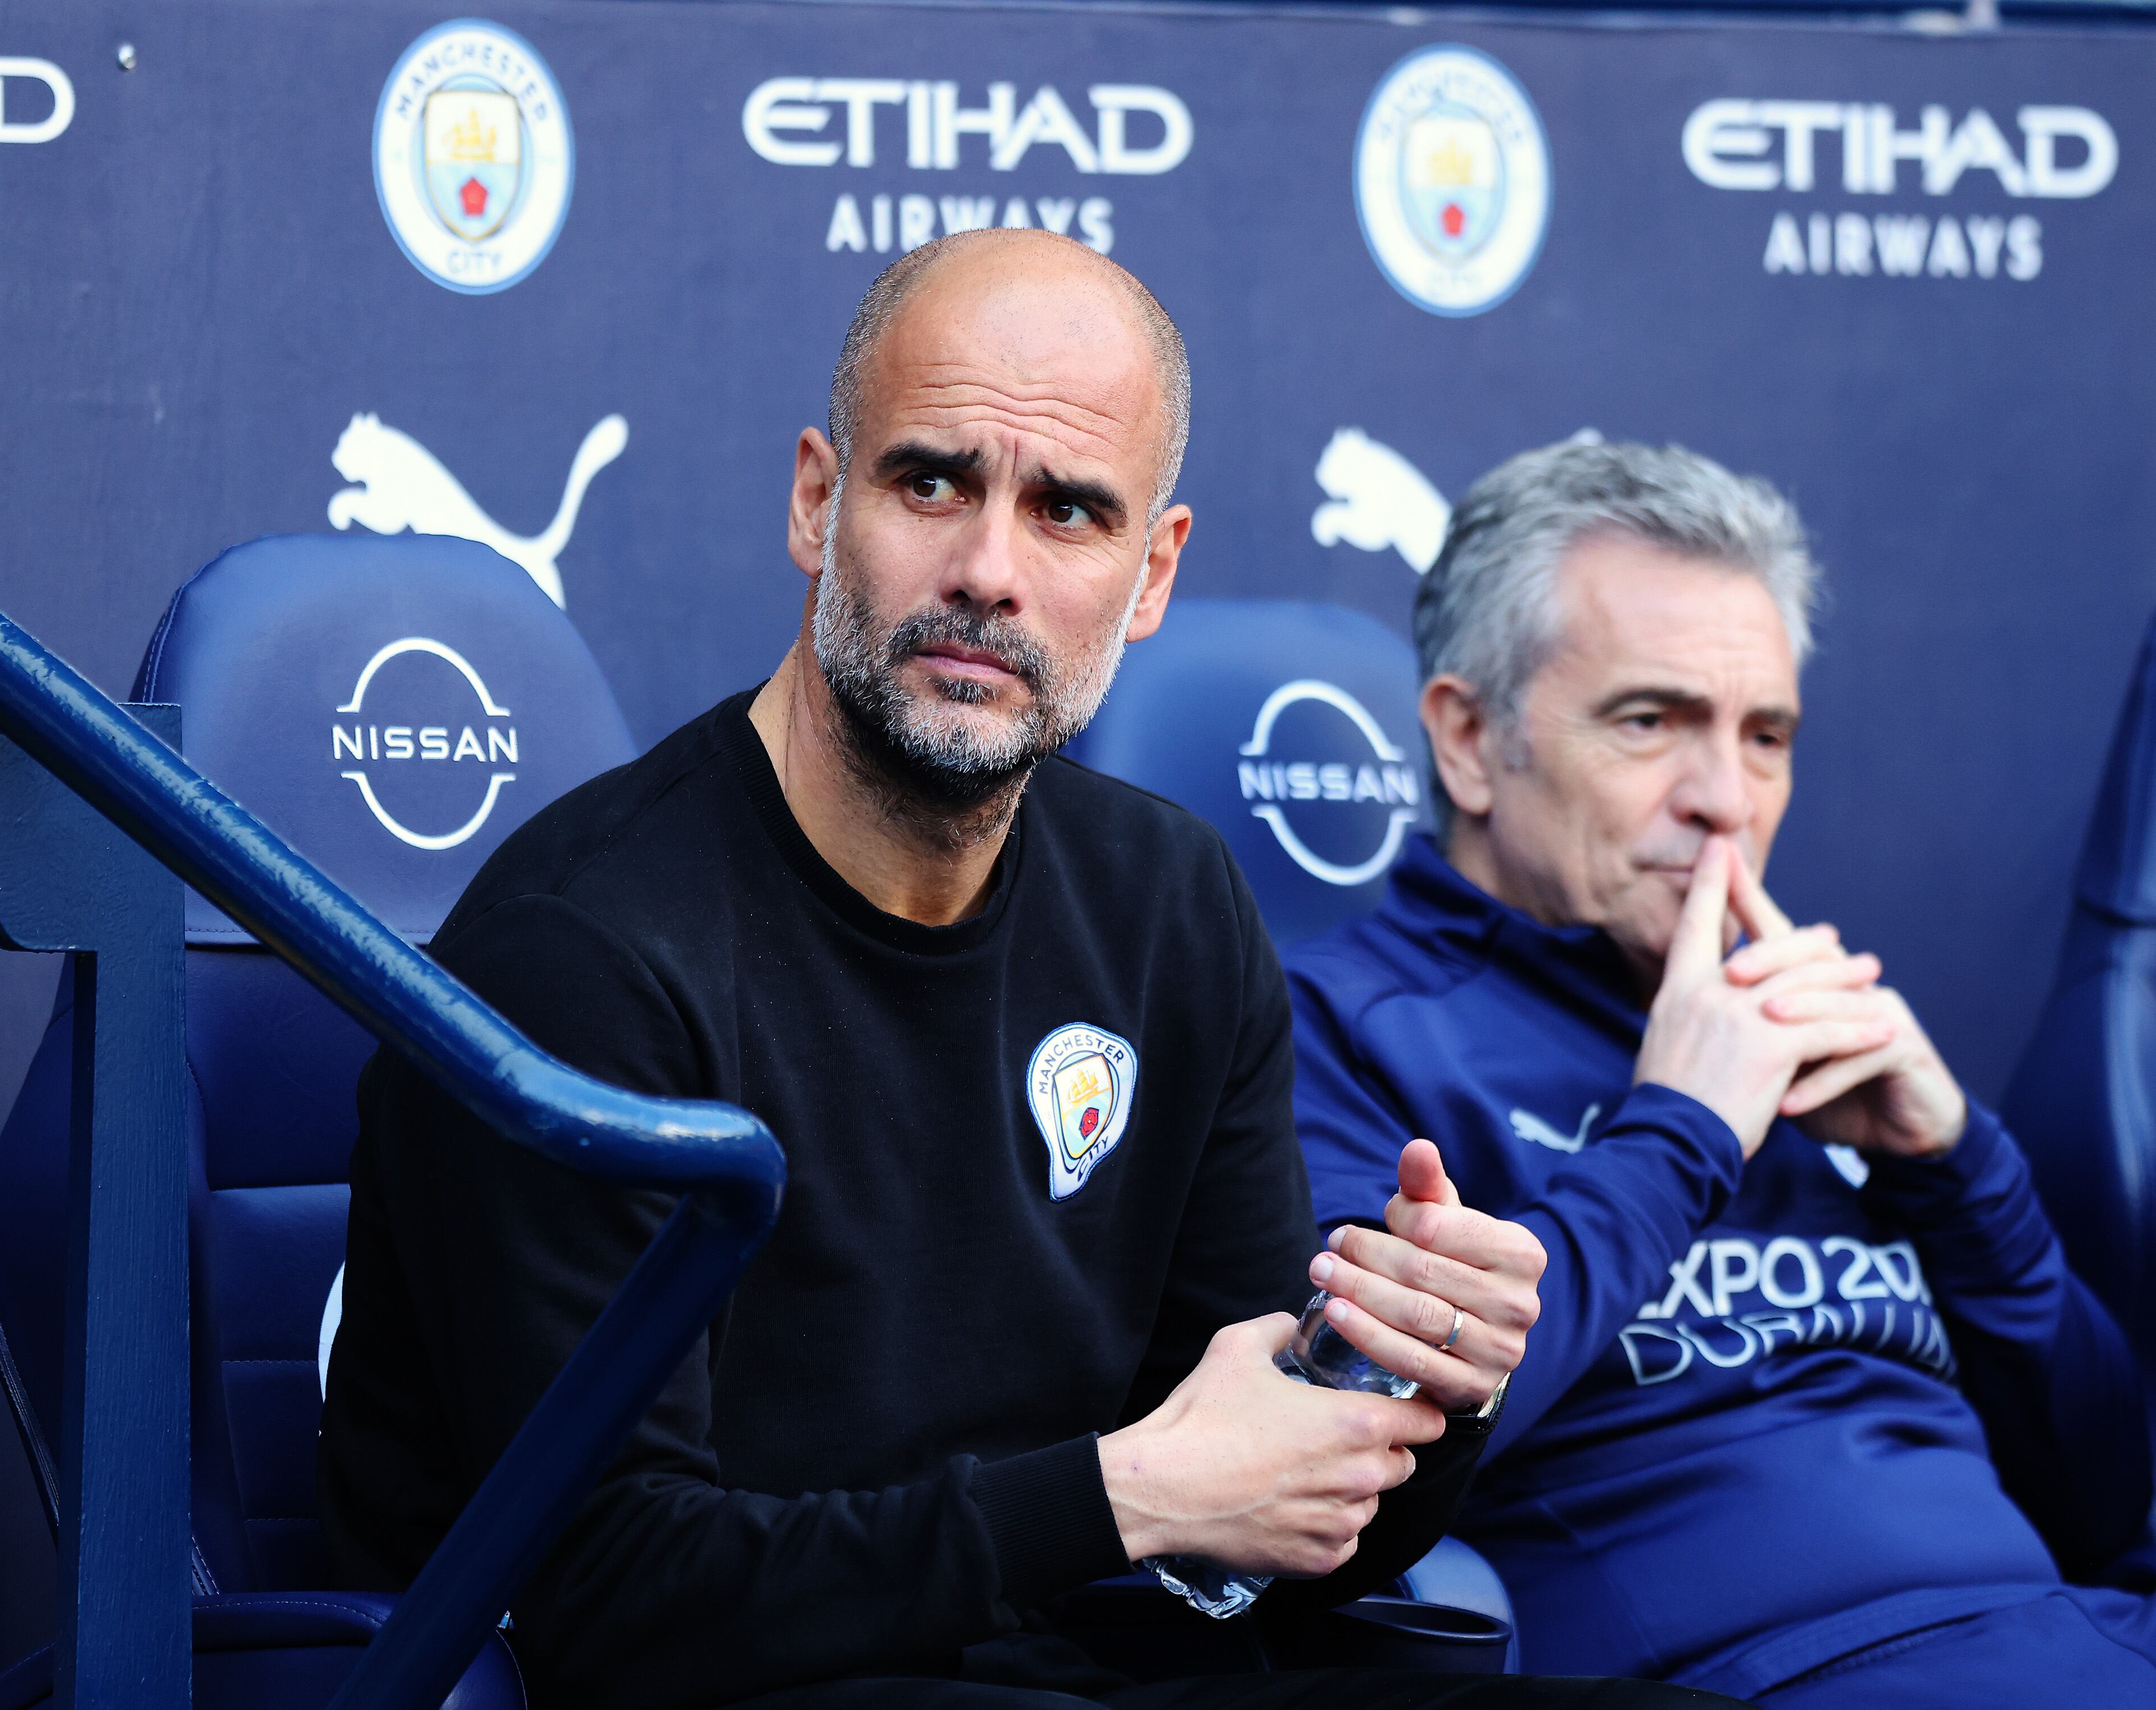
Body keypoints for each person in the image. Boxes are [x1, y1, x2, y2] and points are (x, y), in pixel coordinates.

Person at [318, 233, 1737, 1710]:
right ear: (817, 500)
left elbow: (1261, 1522)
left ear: (1150, 575)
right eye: (929, 481)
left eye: (1068, 510)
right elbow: (606, 1606)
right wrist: (1127, 1497)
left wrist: (1423, 1379)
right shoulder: (585, 949)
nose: (988, 571)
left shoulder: (1168, 901)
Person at [1285, 435, 2156, 1707]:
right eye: (1649, 721)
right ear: (1468, 741)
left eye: (1764, 735)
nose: (1725, 799)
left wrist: (1956, 1167)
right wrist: (1678, 1131)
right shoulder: (1332, 1027)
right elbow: (1344, 1460)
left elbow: (2097, 1501)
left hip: (2073, 1635)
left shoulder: (1802, 1026)